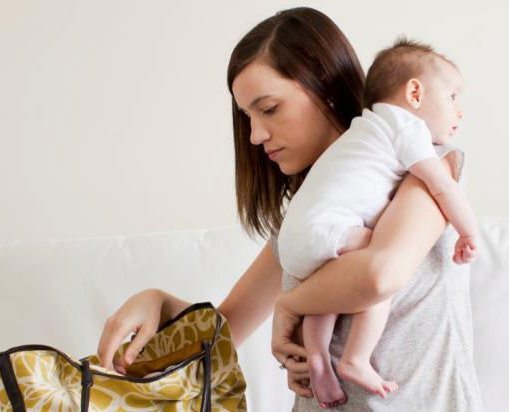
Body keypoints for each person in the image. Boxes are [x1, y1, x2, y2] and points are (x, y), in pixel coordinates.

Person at [96, 6, 484, 411]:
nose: (255, 135)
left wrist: (291, 303)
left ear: (325, 86)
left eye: (269, 109)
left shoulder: (430, 169)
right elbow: (224, 335)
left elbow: (379, 274)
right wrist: (159, 301)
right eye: (247, 117)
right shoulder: (305, 228)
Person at [276, 38, 481, 406]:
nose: (459, 111)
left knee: (328, 284)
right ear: (415, 93)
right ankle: (356, 358)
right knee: (370, 252)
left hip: (300, 238)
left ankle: (318, 355)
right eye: (452, 97)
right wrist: (469, 232)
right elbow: (442, 188)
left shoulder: (360, 137)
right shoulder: (407, 129)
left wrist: (289, 304)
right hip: (327, 232)